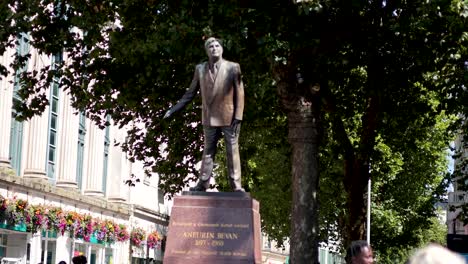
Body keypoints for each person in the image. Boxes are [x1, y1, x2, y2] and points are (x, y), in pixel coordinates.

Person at [164, 37, 245, 192]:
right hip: (209, 116)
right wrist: (173, 109)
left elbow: (240, 93)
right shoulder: (200, 69)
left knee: (232, 151)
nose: (214, 48)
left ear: (222, 48)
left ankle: (236, 185)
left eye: (216, 45)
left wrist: (238, 116)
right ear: (206, 51)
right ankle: (203, 183)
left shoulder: (233, 67)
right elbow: (190, 93)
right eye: (210, 46)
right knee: (208, 151)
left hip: (229, 117)